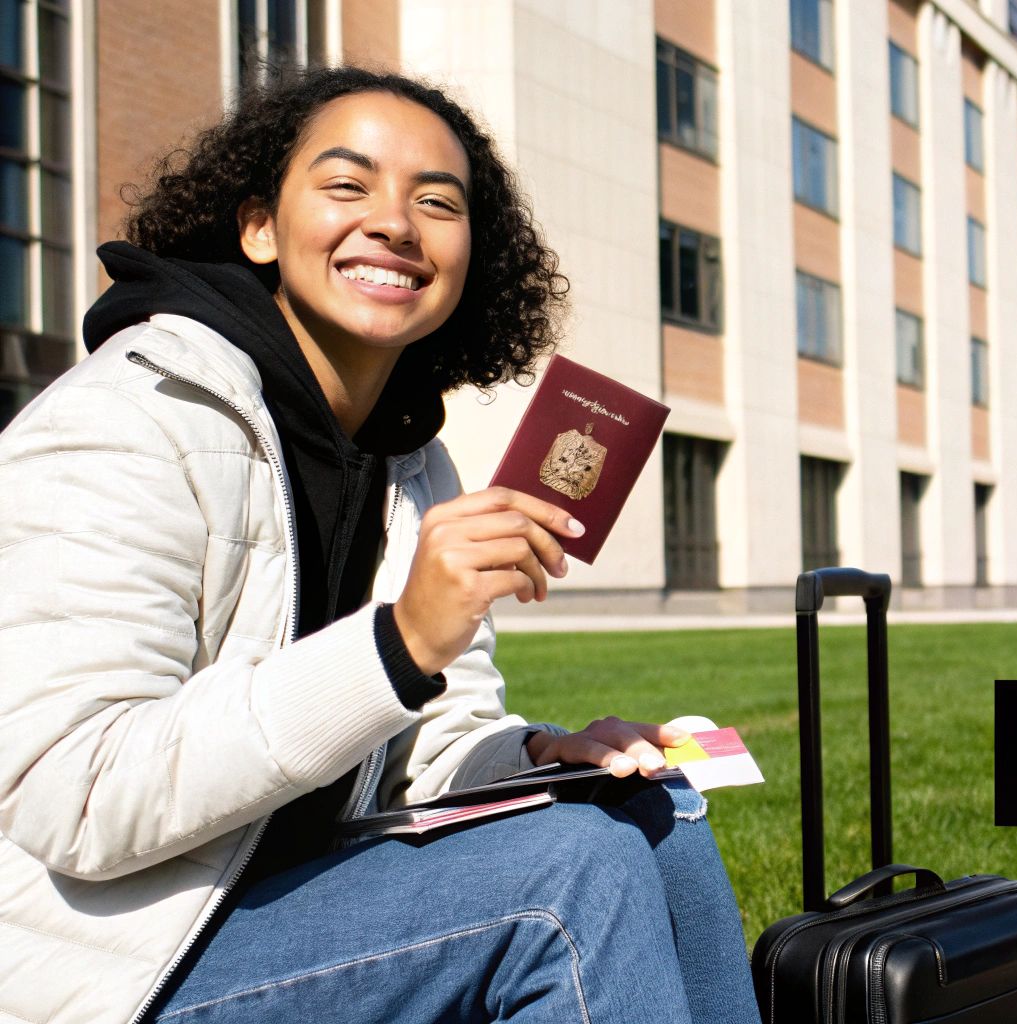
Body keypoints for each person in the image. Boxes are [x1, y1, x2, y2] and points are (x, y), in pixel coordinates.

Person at [0, 66, 761, 1024]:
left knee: (653, 817)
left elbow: (422, 754)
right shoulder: (130, 417)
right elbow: (77, 797)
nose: (396, 223)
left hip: (295, 901)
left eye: (435, 201)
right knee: (570, 879)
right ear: (260, 227)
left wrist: (539, 756)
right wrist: (397, 642)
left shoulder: (410, 459)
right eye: (347, 186)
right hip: (112, 971)